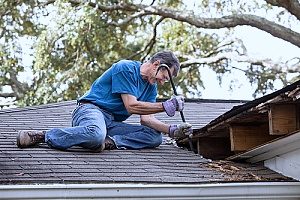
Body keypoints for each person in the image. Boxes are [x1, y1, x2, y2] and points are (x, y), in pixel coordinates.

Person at [17, 51, 193, 152]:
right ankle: (43, 136)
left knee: (154, 137)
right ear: (156, 64)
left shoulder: (151, 87)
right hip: (91, 110)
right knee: (94, 133)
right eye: (164, 76)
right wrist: (166, 106)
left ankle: (109, 142)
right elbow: (131, 105)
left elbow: (147, 119)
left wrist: (172, 130)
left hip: (111, 123)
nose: (163, 82)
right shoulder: (125, 68)